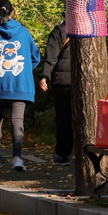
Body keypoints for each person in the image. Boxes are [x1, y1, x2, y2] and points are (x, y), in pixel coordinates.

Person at [0, 0, 41, 172]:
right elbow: (35, 57)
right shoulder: (24, 32)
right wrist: (24, 70)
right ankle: (17, 159)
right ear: (12, 12)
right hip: (20, 84)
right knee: (17, 121)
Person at [38, 20, 73, 165]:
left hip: (63, 81)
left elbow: (51, 56)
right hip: (84, 80)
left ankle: (63, 155)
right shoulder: (91, 27)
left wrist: (44, 75)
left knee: (64, 119)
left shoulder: (59, 31)